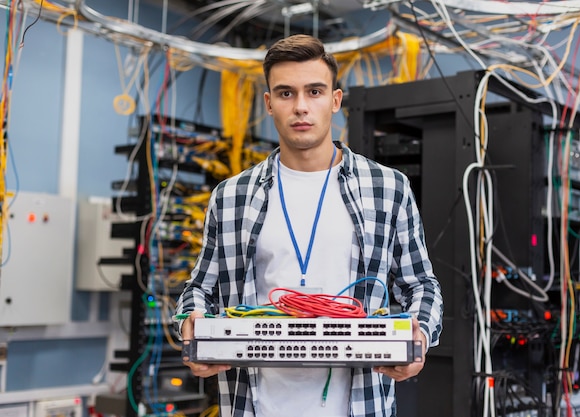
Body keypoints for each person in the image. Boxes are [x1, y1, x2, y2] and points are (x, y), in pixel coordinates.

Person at [176, 34, 443, 417]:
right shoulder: (231, 196)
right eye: (285, 94)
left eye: (314, 91)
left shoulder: (387, 188)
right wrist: (191, 326)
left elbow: (421, 285)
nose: (301, 107)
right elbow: (199, 289)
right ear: (269, 103)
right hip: (253, 405)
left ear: (335, 100)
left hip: (360, 405)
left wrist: (419, 338)